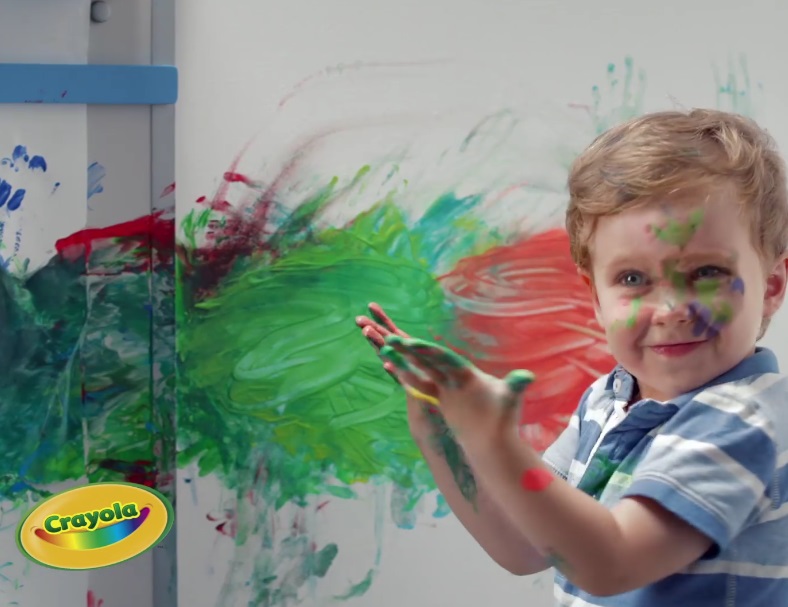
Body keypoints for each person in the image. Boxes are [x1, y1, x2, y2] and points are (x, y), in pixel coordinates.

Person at [355, 108, 788, 606]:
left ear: (771, 286)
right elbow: (525, 547)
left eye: (706, 273)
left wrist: (495, 441)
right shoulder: (607, 399)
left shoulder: (746, 420)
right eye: (633, 279)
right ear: (596, 297)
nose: (670, 310)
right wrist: (439, 429)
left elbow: (612, 563)